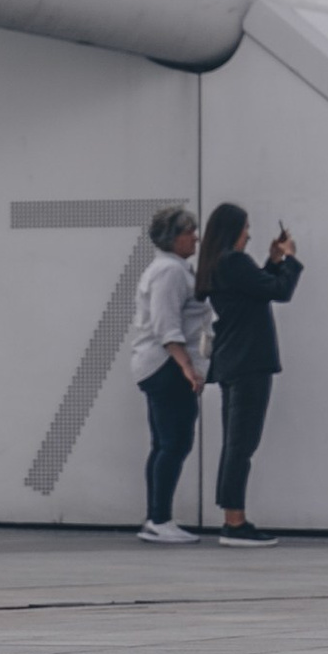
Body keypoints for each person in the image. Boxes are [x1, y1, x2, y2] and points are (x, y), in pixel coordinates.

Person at [198, 201, 302, 542]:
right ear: (233, 230)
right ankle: (235, 522)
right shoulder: (233, 261)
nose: (249, 234)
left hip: (234, 361)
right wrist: (290, 259)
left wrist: (273, 262)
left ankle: (233, 517)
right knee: (242, 443)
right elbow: (278, 292)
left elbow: (257, 291)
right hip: (248, 363)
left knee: (237, 442)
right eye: (245, 228)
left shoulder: (221, 263)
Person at [126, 203, 210, 545]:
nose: (196, 238)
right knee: (174, 441)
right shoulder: (170, 272)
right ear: (173, 237)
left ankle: (157, 517)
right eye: (189, 231)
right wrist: (187, 366)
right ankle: (159, 519)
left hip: (160, 365)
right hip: (166, 366)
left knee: (165, 442)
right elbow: (167, 325)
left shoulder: (173, 268)